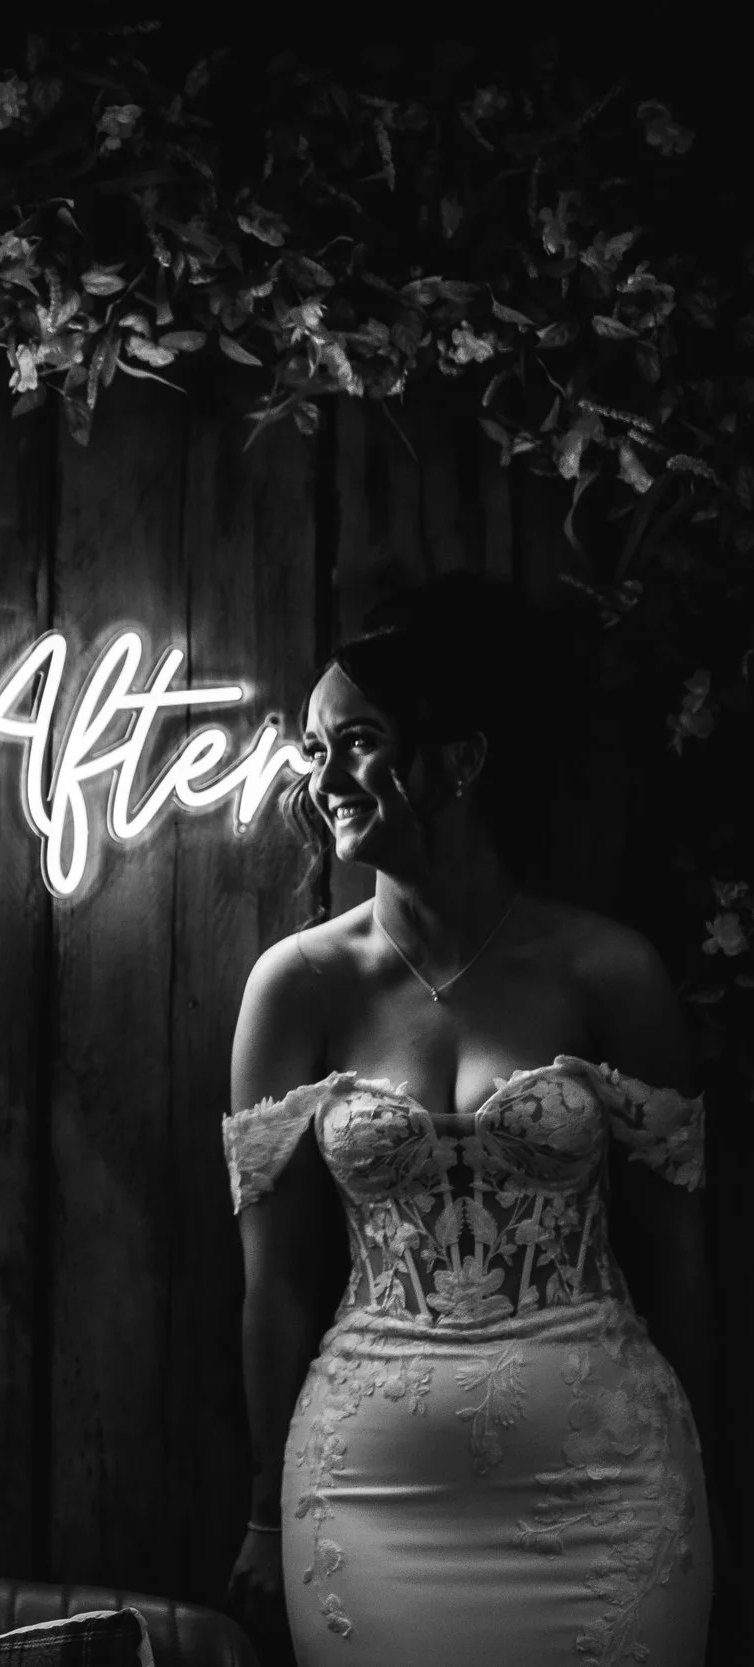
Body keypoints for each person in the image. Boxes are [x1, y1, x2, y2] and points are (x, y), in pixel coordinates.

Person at [218, 578, 718, 1664]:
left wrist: (728, 1484)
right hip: (366, 1490)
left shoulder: (606, 969)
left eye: (355, 742)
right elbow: (277, 1280)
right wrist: (263, 1510)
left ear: (460, 759)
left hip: (610, 1481)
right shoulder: (296, 984)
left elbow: (680, 1255)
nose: (323, 778)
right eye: (313, 749)